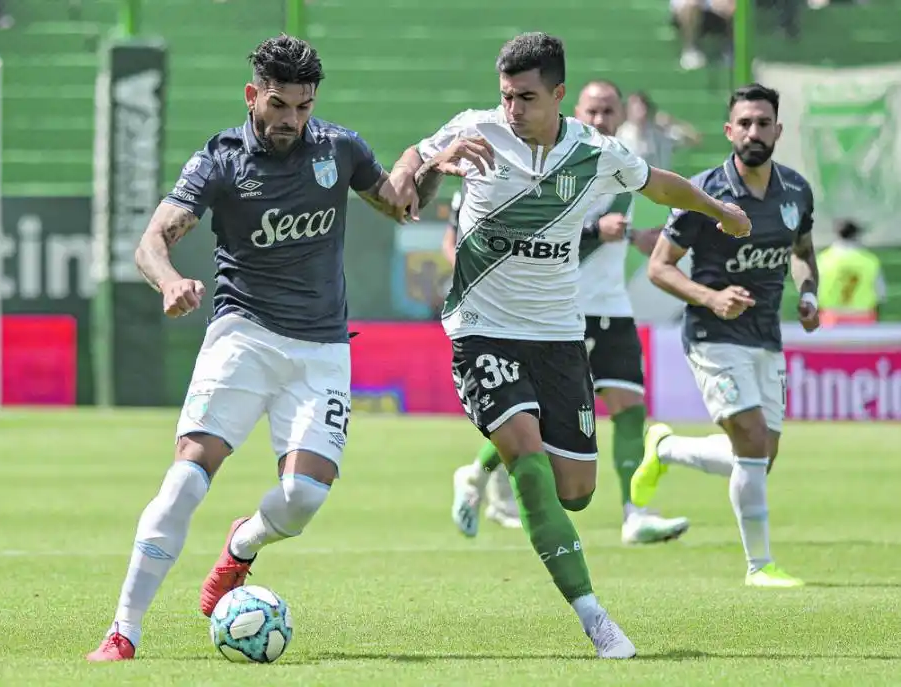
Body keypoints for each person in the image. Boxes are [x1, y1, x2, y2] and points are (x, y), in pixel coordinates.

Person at [390, 32, 751, 658]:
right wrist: (426, 167)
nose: (512, 111)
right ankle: (595, 619)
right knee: (527, 459)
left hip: (558, 335)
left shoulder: (594, 152)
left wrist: (718, 209)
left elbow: (659, 185)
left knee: (575, 492)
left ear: (558, 96)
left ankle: (477, 480)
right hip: (480, 327)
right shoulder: (475, 130)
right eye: (505, 96)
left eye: (526, 98)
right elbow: (403, 171)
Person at [87, 34, 416, 662]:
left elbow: (397, 203)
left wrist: (422, 162)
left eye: (303, 106)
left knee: (302, 501)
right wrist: (170, 280)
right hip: (243, 336)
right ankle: (123, 631)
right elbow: (151, 241)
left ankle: (242, 545)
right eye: (279, 104)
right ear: (252, 96)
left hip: (321, 350)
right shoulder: (220, 160)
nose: (292, 119)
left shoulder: (340, 148)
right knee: (186, 481)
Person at [632, 83, 818, 588]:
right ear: (729, 130)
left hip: (766, 336)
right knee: (754, 443)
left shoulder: (796, 192)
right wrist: (711, 298)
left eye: (764, 122)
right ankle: (760, 566)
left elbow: (801, 252)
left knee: (760, 457)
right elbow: (659, 268)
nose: (754, 131)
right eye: (745, 123)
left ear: (778, 130)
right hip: (713, 334)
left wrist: (809, 296)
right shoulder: (704, 193)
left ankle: (666, 449)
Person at [571, 80, 690, 545]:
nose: (600, 120)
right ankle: (479, 474)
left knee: (630, 409)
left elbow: (619, 226)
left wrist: (639, 235)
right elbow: (537, 235)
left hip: (612, 307)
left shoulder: (625, 165)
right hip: (561, 309)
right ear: (575, 110)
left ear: (621, 116)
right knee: (539, 416)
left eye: (608, 112)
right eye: (593, 111)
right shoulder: (554, 163)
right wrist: (594, 230)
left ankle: (633, 514)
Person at [442, 184, 523, 533]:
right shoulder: (478, 187)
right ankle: (490, 490)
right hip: (493, 312)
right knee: (520, 409)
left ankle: (479, 480)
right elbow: (450, 243)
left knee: (530, 412)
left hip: (543, 307)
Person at [816, 219, 885, 326]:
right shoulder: (870, 261)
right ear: (856, 236)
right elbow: (880, 294)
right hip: (864, 319)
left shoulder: (823, 260)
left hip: (830, 320)